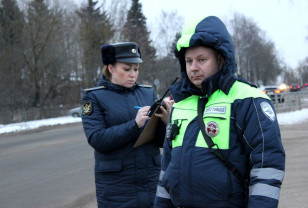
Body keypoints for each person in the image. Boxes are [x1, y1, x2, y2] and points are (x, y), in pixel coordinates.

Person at [154, 16, 285, 208]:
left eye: (202, 60)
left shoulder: (248, 99)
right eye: (188, 61)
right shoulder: (180, 104)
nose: (193, 67)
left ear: (221, 59)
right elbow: (167, 168)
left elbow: (267, 164)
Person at [81, 42, 171, 208]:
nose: (133, 75)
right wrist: (134, 125)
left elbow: (159, 141)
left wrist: (166, 122)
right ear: (111, 68)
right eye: (127, 69)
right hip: (116, 186)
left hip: (150, 181)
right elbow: (97, 139)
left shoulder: (147, 93)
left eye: (136, 69)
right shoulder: (94, 97)